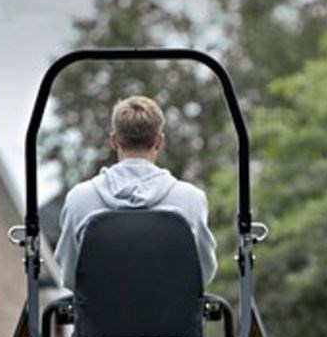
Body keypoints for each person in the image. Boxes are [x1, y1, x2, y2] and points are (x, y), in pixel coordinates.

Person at [54, 95, 217, 290]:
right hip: (172, 319)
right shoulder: (191, 199)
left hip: (102, 319)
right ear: (159, 141)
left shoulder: (80, 199)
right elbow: (203, 272)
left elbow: (70, 275)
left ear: (114, 141)